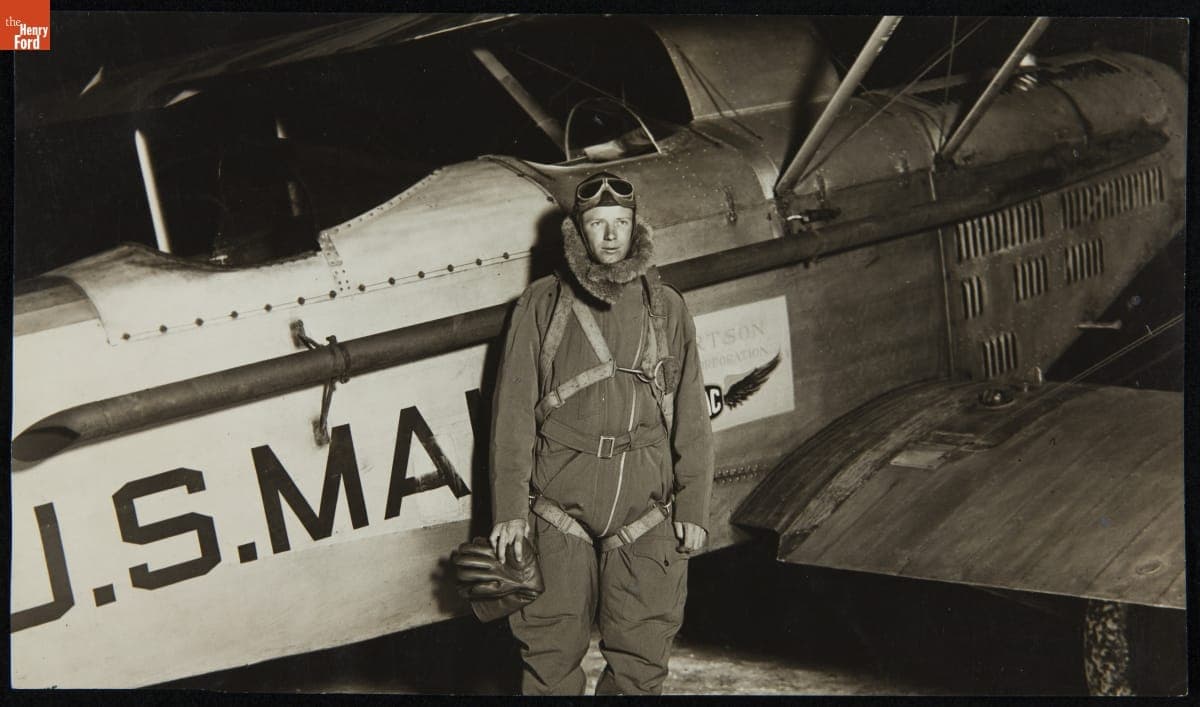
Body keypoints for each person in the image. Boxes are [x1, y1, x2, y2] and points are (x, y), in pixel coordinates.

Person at [489, 171, 714, 695]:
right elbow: (513, 413)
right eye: (597, 224)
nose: (610, 235)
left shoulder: (667, 308)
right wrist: (508, 511)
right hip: (557, 505)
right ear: (578, 232)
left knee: (642, 659)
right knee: (550, 654)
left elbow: (691, 413)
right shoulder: (542, 305)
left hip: (647, 505)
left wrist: (694, 507)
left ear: (637, 229)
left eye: (620, 223)